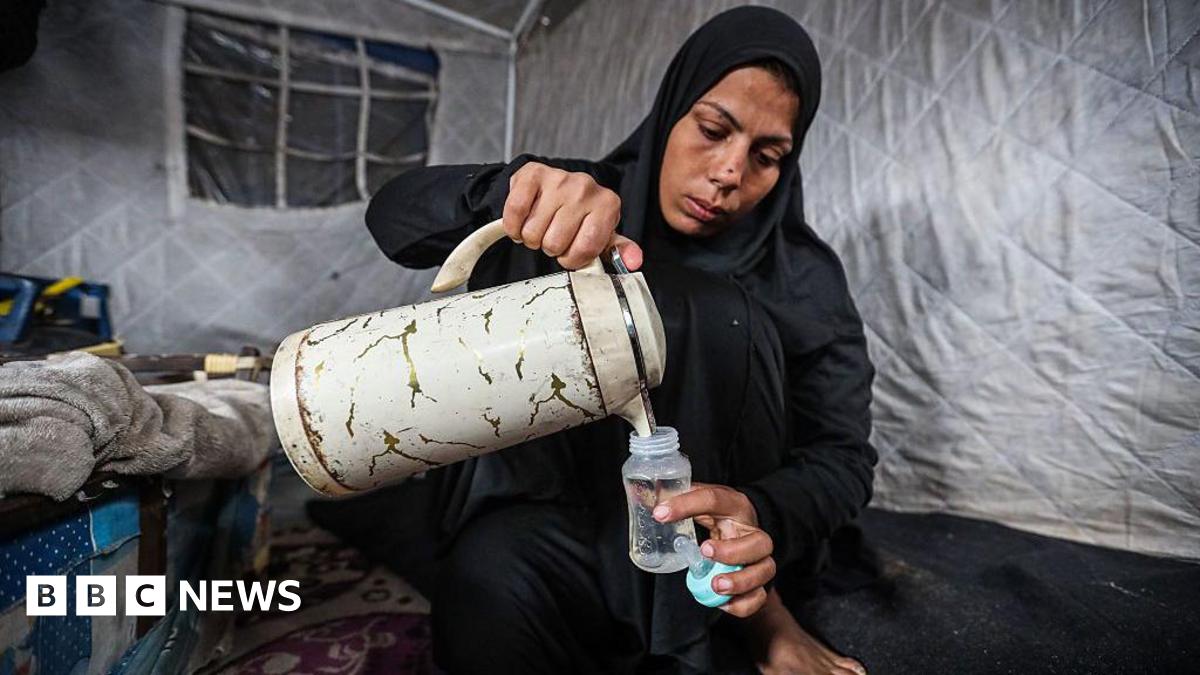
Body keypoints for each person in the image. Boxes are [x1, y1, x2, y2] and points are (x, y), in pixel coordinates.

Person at [365, 7, 875, 674]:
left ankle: (754, 621)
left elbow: (843, 457)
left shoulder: (802, 277)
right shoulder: (581, 204)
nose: (729, 172)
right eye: (713, 129)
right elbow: (393, 216)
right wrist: (509, 191)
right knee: (487, 582)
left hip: (711, 549)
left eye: (767, 156)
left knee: (709, 310)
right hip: (570, 519)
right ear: (671, 111)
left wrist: (758, 508)